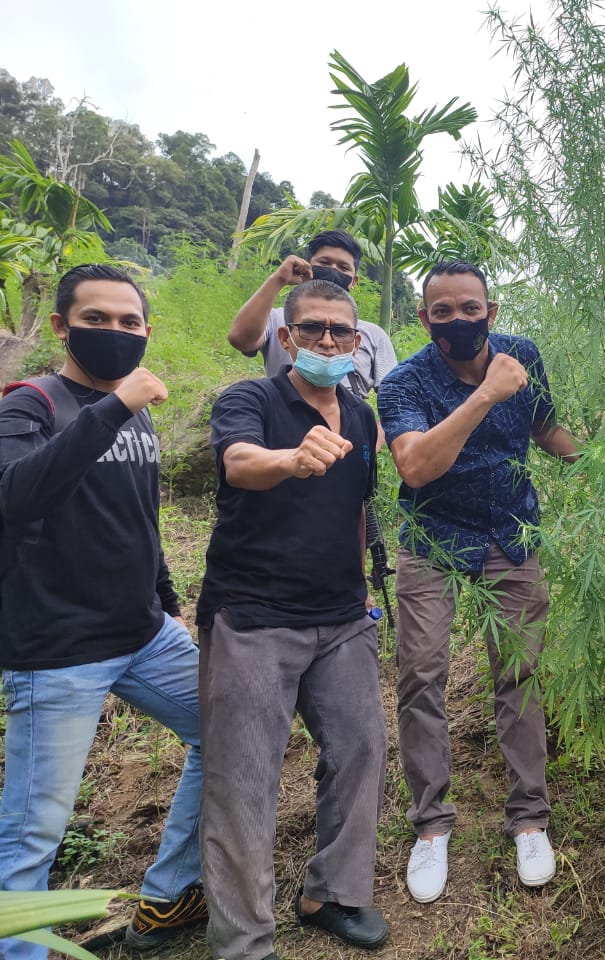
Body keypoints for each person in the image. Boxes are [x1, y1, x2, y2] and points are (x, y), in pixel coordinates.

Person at [0, 264, 205, 956]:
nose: (115, 333)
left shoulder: (137, 410)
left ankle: (169, 894)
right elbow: (16, 497)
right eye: (96, 320)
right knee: (33, 832)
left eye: (129, 322)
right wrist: (114, 407)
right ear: (60, 326)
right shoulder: (29, 405)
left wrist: (168, 603)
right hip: (57, 651)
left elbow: (140, 520)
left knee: (235, 732)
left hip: (145, 636)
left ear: (146, 331)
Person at [197, 278, 389, 960]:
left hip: (340, 617)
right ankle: (244, 940)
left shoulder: (362, 416)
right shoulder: (252, 399)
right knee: (244, 779)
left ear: (359, 341)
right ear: (287, 338)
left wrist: (364, 589)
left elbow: (360, 508)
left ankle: (330, 893)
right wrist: (292, 458)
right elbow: (239, 463)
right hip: (253, 617)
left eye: (342, 331)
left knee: (362, 749)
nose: (329, 342)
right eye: (314, 330)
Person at [377, 259, 579, 904]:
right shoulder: (405, 380)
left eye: (471, 308)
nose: (459, 320)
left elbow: (547, 430)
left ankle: (529, 817)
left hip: (510, 535)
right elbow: (415, 468)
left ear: (491, 310)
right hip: (434, 539)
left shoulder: (523, 354)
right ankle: (431, 826)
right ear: (424, 317)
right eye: (444, 311)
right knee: (422, 674)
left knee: (519, 673)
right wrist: (486, 393)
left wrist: (599, 462)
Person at [228, 229, 396, 399]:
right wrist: (279, 279)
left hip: (348, 422)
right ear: (285, 337)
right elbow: (241, 339)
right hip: (281, 418)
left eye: (343, 267)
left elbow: (394, 397)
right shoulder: (277, 319)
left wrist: (371, 425)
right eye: (324, 263)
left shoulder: (375, 336)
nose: (333, 270)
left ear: (353, 281)